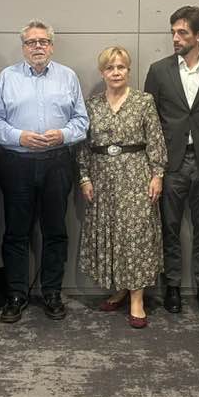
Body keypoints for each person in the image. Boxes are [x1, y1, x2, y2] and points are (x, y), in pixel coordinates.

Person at [0, 19, 89, 323]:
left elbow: (82, 121)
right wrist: (19, 137)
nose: (38, 47)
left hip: (57, 163)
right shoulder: (8, 76)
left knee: (55, 231)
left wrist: (63, 135)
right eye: (31, 42)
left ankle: (52, 292)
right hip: (17, 164)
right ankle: (16, 294)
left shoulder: (68, 76)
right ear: (23, 47)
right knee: (16, 232)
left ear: (51, 46)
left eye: (43, 41)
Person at [144, 5, 199, 315]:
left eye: (182, 32)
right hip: (171, 163)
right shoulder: (158, 70)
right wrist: (154, 167)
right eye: (173, 32)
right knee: (169, 228)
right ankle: (172, 287)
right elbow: (150, 121)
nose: (175, 38)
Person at [78, 46, 167, 328]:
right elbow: (83, 145)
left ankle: (137, 299)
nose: (116, 72)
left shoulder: (144, 101)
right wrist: (84, 177)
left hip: (136, 177)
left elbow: (155, 140)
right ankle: (120, 288)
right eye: (110, 68)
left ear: (128, 70)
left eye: (121, 67)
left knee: (136, 236)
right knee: (112, 236)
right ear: (102, 72)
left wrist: (157, 174)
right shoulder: (91, 105)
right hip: (102, 180)